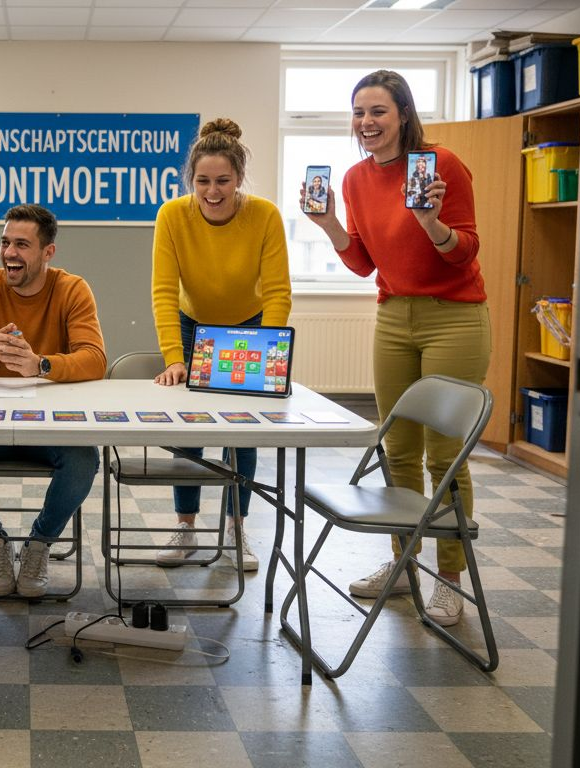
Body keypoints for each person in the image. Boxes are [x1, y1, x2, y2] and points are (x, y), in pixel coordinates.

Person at [299, 69, 489, 627]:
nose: (366, 123)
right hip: (393, 315)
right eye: (358, 113)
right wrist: (329, 221)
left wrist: (430, 222)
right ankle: (404, 563)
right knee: (397, 450)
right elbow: (362, 262)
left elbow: (465, 252)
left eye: (377, 111)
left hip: (454, 316)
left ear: (403, 114)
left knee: (444, 455)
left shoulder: (443, 165)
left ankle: (450, 579)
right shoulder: (357, 179)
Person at [0, 204, 105, 598]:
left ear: (48, 253)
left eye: (22, 245)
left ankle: (39, 545)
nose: (9, 252)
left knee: (84, 459)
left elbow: (95, 358)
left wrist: (39, 364)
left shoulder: (72, 289)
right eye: (6, 242)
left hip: (51, 423)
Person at [150, 118, 292, 571]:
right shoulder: (173, 214)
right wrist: (175, 357)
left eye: (223, 181)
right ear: (191, 179)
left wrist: (268, 354)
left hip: (249, 326)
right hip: (194, 324)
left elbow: (277, 292)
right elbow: (163, 291)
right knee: (189, 430)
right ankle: (186, 527)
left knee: (239, 431)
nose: (213, 191)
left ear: (239, 179)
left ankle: (237, 530)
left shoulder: (264, 215)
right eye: (203, 181)